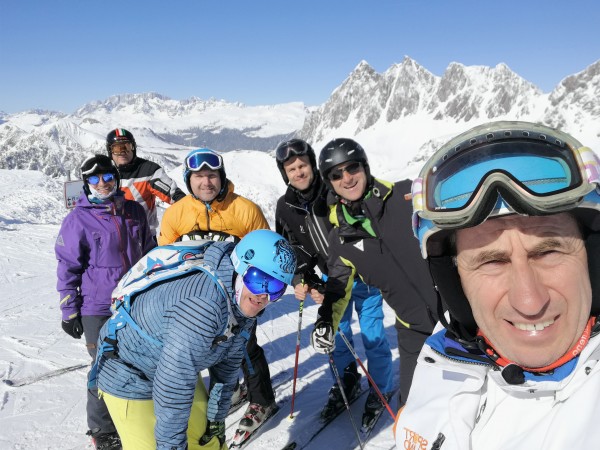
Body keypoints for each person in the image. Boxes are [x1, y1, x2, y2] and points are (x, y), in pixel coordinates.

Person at [394, 121, 600, 450]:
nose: (529, 302)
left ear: (591, 259)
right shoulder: (443, 354)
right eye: (492, 262)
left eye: (548, 251)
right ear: (455, 282)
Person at [95, 230, 296, 450]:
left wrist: (216, 417)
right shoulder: (203, 308)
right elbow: (174, 384)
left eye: (276, 287)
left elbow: (229, 361)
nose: (263, 296)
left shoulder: (241, 301)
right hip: (127, 374)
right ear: (239, 267)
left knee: (207, 442)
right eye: (258, 280)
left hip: (173, 366)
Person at [310, 138, 439, 410]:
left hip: (459, 318)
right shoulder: (340, 240)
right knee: (411, 410)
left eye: (352, 168)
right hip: (413, 331)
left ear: (365, 167)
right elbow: (337, 287)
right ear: (329, 182)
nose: (346, 178)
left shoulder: (406, 197)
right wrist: (325, 321)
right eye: (336, 174)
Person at [158, 148, 277, 437]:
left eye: (212, 175)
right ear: (189, 180)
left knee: (245, 348)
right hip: (194, 300)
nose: (206, 182)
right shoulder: (177, 214)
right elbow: (164, 259)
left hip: (238, 298)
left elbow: (266, 254)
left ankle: (262, 400)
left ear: (222, 177)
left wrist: (261, 295)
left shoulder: (245, 210)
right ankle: (233, 388)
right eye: (199, 177)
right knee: (208, 349)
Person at [274, 138, 393, 426]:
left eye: (302, 165)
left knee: (373, 334)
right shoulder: (285, 207)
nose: (299, 172)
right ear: (284, 174)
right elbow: (291, 249)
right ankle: (347, 379)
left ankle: (381, 387)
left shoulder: (333, 190)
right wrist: (304, 280)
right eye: (291, 169)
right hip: (330, 280)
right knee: (336, 335)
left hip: (362, 275)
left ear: (312, 164)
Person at [55, 154, 155, 449]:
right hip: (97, 308)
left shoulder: (134, 211)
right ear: (86, 183)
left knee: (141, 359)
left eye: (108, 177)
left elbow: (149, 251)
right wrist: (69, 310)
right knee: (104, 366)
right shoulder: (77, 220)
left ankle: (139, 411)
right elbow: (67, 267)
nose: (102, 184)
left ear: (116, 179)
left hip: (135, 301)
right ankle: (103, 429)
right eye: (94, 179)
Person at [106, 128, 186, 237]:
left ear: (133, 148)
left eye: (127, 147)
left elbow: (176, 197)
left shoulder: (149, 171)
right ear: (110, 151)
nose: (122, 152)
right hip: (112, 239)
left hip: (144, 239)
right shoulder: (104, 174)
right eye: (117, 149)